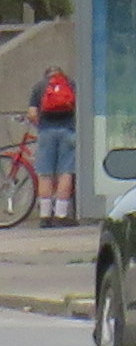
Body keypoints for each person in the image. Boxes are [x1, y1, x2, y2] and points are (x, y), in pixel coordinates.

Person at [29, 60, 74, 226]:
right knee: (65, 172)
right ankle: (61, 215)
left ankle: (45, 216)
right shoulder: (71, 84)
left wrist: (40, 125)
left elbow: (32, 113)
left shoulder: (39, 86)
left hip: (46, 132)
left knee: (45, 174)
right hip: (68, 131)